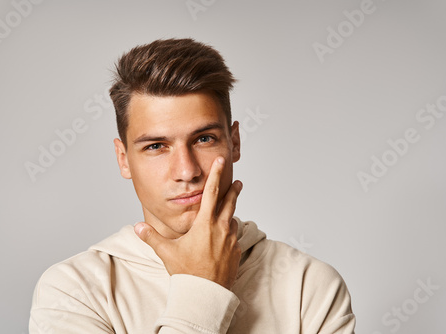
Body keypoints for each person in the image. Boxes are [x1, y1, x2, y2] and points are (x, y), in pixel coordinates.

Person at [29, 38, 356, 334]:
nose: (186, 171)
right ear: (124, 159)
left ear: (234, 142)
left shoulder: (309, 286)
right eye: (156, 146)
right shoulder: (73, 291)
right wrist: (202, 288)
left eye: (203, 139)